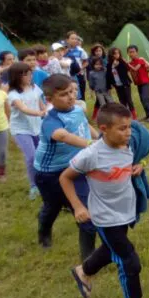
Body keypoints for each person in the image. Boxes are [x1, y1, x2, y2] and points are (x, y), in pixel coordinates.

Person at [61, 103, 149, 298]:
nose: (128, 133)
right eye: (122, 128)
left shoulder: (128, 146)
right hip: (105, 217)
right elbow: (65, 177)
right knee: (129, 260)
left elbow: (134, 160)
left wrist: (140, 165)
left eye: (129, 127)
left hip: (125, 212)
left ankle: (83, 271)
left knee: (111, 250)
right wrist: (78, 206)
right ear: (103, 128)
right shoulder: (92, 154)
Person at [33, 74, 99, 258]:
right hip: (50, 174)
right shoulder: (50, 120)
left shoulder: (77, 109)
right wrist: (89, 144)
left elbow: (85, 126)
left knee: (86, 211)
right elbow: (62, 136)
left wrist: (99, 138)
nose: (70, 96)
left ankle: (89, 259)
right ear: (49, 99)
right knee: (52, 206)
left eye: (71, 91)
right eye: (63, 94)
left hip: (75, 169)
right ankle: (44, 232)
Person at [7, 62, 46, 200]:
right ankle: (34, 186)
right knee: (31, 157)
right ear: (16, 76)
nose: (29, 76)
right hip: (21, 129)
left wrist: (46, 111)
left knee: (41, 155)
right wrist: (40, 113)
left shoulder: (35, 87)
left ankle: (44, 181)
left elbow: (41, 104)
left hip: (36, 127)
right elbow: (23, 109)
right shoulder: (13, 94)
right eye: (25, 74)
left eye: (30, 73)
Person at [126, 45, 149, 122]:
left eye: (133, 52)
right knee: (142, 99)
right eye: (130, 52)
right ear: (128, 53)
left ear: (137, 52)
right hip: (138, 83)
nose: (131, 54)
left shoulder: (140, 60)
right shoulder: (130, 63)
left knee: (145, 98)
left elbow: (136, 68)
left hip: (145, 82)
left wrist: (127, 64)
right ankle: (148, 115)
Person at [106, 47, 137, 119]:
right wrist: (109, 86)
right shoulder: (109, 65)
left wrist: (118, 65)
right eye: (114, 53)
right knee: (122, 100)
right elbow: (108, 76)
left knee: (129, 100)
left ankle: (134, 116)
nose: (116, 55)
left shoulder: (122, 62)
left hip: (125, 84)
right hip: (117, 85)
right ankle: (125, 115)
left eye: (118, 53)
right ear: (111, 55)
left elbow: (126, 70)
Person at [64, 31, 89, 100]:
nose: (75, 40)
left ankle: (82, 109)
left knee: (80, 95)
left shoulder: (80, 50)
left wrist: (80, 68)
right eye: (72, 38)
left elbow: (86, 61)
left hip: (79, 75)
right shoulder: (62, 50)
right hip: (66, 76)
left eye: (76, 39)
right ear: (67, 40)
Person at [88, 57, 114, 121]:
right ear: (93, 65)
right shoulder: (91, 73)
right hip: (98, 92)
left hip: (106, 90)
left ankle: (113, 115)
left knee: (111, 102)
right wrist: (91, 92)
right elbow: (91, 84)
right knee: (103, 104)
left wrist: (111, 86)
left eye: (100, 64)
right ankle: (105, 118)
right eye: (96, 64)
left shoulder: (105, 71)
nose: (98, 66)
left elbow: (109, 79)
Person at [0, 72, 9, 182]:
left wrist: (10, 121)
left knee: (1, 151)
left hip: (1, 127)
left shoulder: (2, 94)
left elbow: (7, 109)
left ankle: (1, 172)